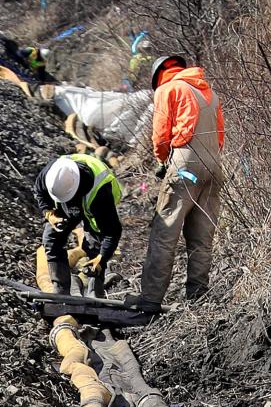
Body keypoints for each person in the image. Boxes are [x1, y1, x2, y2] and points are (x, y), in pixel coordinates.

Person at [135, 54, 225, 311]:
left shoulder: (168, 89)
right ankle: (198, 299)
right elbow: (220, 137)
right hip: (214, 168)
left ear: (158, 75)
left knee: (165, 233)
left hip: (185, 166)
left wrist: (163, 161)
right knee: (201, 238)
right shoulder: (209, 93)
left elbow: (161, 135)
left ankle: (150, 300)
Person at [34, 154, 122, 298]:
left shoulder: (100, 192)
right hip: (65, 202)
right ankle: (60, 290)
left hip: (95, 204)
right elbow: (40, 193)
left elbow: (112, 232)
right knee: (51, 239)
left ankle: (95, 291)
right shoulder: (50, 175)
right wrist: (49, 213)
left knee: (94, 244)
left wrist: (103, 256)